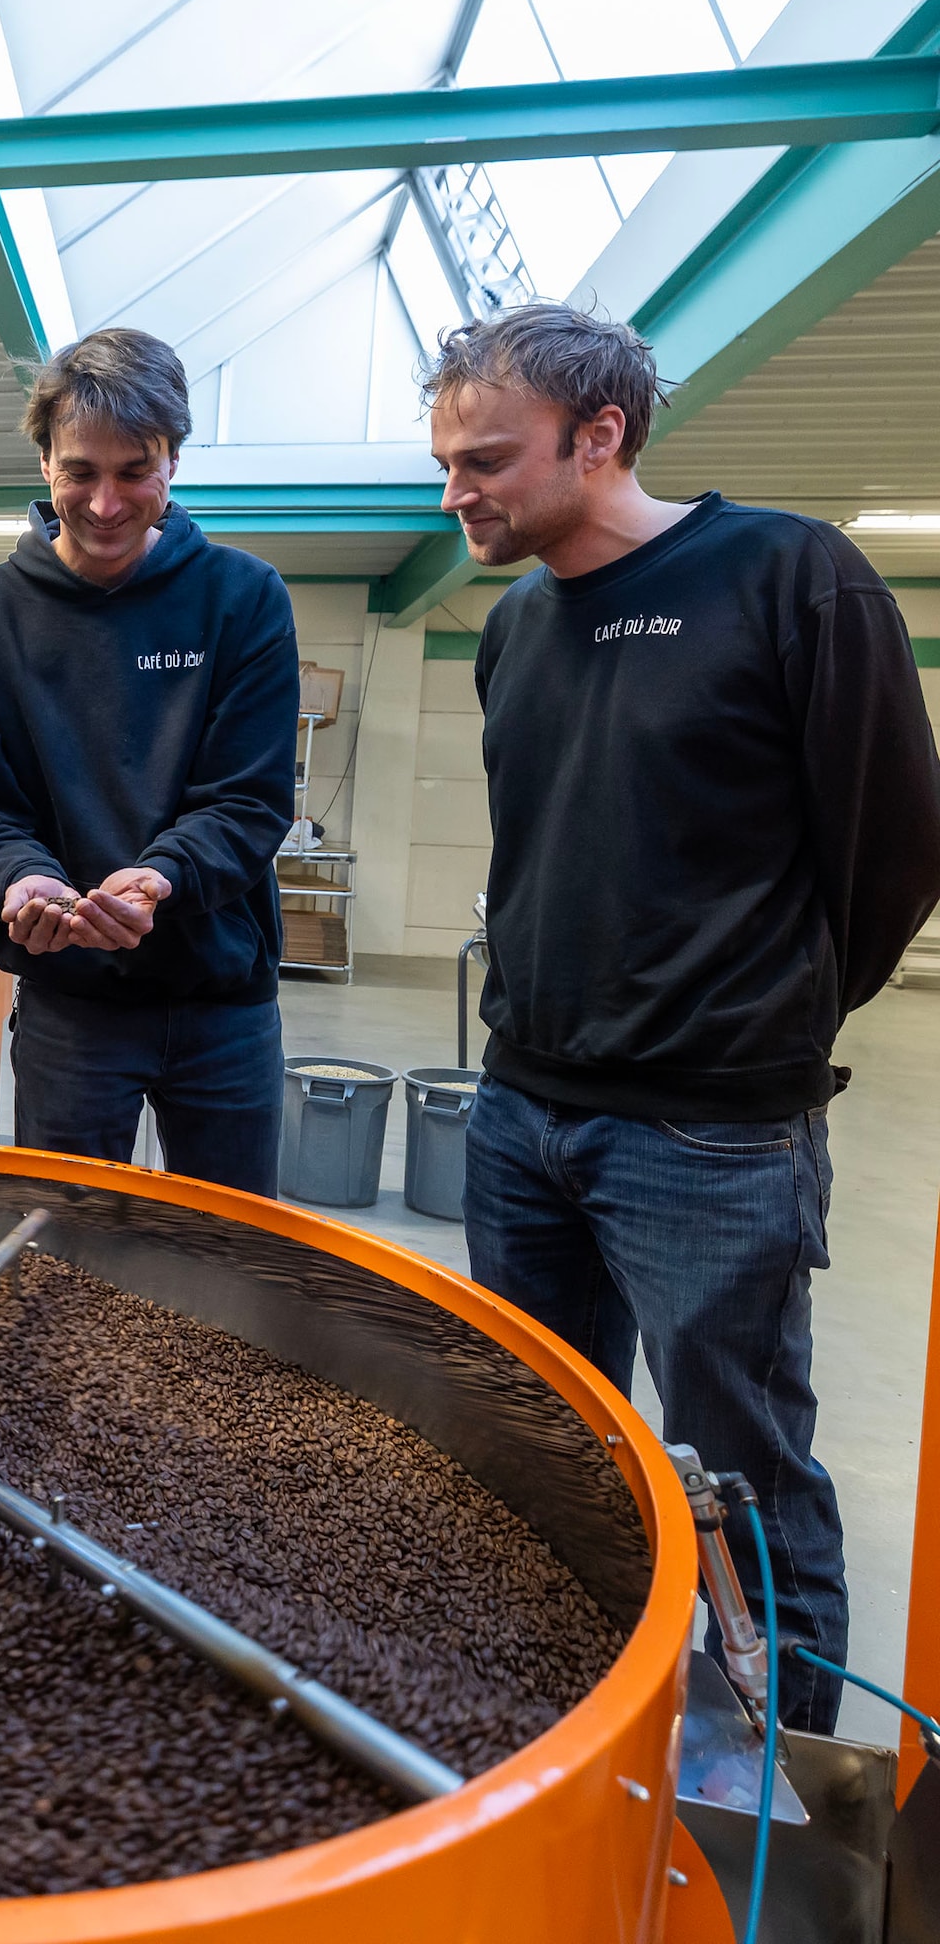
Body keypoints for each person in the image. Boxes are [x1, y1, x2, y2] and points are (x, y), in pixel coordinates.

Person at [429, 300, 940, 1732]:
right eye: (446, 462)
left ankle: (780, 1772)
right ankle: (567, 1721)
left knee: (742, 1475)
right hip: (521, 1115)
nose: (455, 492)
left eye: (485, 460)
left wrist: (759, 1023)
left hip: (708, 1142)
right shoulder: (514, 627)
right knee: (538, 1441)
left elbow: (895, 849)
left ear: (599, 435)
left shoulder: (787, 576)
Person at [0, 328, 300, 1193]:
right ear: (45, 462)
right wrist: (22, 879)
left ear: (174, 461)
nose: (103, 503)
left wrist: (162, 878)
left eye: (135, 471)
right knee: (63, 1239)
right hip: (71, 1005)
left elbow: (247, 801)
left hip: (221, 1002)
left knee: (230, 1242)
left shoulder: (243, 600)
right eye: (80, 472)